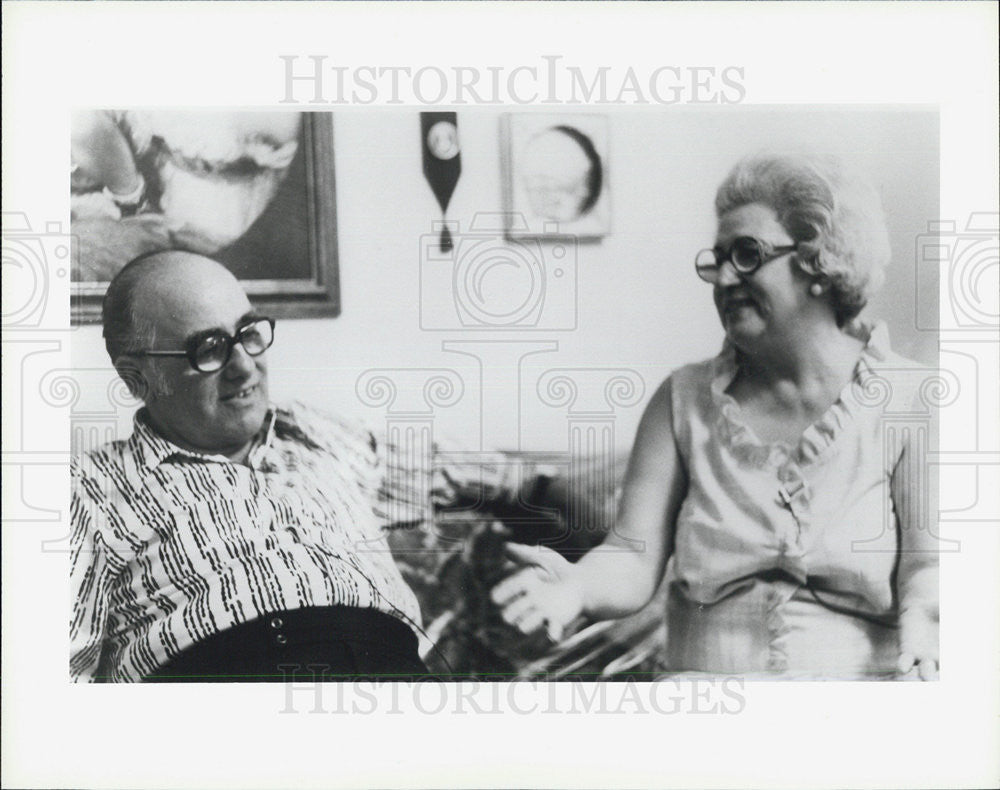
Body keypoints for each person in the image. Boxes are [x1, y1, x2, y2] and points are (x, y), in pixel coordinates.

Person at [492, 154, 940, 680]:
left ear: (822, 261)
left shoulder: (911, 401)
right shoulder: (680, 401)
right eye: (717, 260)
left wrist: (925, 625)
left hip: (855, 707)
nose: (724, 278)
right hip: (704, 703)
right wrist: (576, 585)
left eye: (747, 255)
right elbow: (631, 559)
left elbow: (929, 567)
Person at [70, 250, 525, 682]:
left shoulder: (317, 433)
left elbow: (460, 469)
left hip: (392, 688)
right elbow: (60, 676)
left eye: (248, 332)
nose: (245, 367)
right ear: (136, 377)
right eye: (209, 349)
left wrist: (555, 503)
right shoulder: (91, 488)